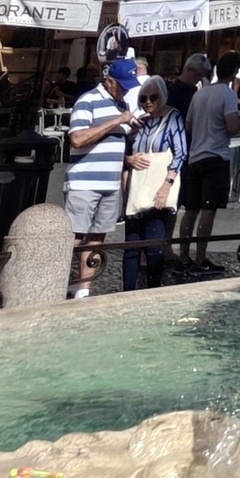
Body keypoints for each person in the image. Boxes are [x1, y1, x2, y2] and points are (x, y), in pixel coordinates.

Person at [62, 56, 130, 298]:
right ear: (109, 80)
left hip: (110, 184)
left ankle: (83, 288)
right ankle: (52, 282)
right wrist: (116, 121)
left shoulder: (122, 105)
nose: (126, 90)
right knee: (75, 237)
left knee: (96, 240)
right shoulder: (87, 100)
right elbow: (77, 139)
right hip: (84, 182)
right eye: (122, 85)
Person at [178, 52, 240, 274]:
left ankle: (184, 256)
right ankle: (200, 258)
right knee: (208, 210)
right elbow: (232, 127)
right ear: (234, 73)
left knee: (191, 209)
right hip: (216, 157)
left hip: (195, 156)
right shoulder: (228, 94)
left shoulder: (200, 94)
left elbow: (188, 127)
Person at [121, 82, 186, 288]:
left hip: (157, 186)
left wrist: (166, 186)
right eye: (143, 98)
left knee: (153, 243)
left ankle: (152, 289)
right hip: (136, 187)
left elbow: (181, 153)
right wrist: (128, 160)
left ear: (162, 96)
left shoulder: (173, 117)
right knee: (131, 245)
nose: (148, 102)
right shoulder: (139, 123)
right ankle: (127, 292)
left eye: (153, 97)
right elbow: (125, 153)